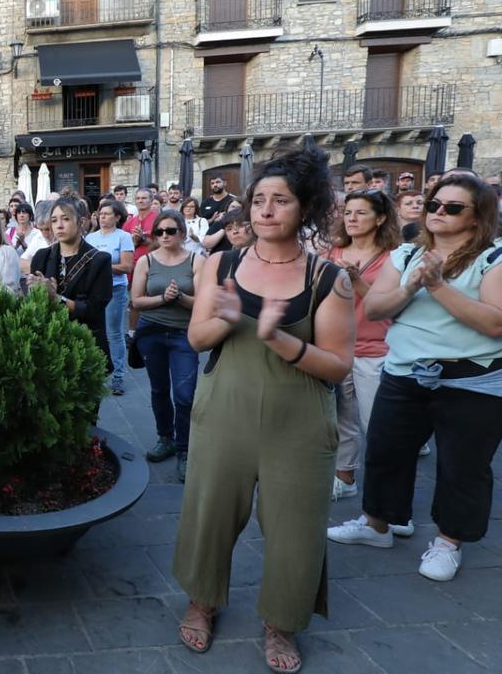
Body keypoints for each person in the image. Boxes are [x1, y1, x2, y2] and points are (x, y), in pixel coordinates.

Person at [175, 146, 354, 674]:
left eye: (280, 200)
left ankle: (282, 620)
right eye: (258, 200)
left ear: (306, 208)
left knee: (296, 526)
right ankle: (202, 600)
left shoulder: (328, 278)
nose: (265, 210)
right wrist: (231, 319)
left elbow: (338, 366)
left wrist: (280, 340)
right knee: (210, 513)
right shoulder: (219, 263)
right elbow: (197, 338)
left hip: (298, 419)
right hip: (224, 409)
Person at [328, 174, 502, 583]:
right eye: (434, 205)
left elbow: (495, 323)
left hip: (471, 379)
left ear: (478, 217)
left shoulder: (493, 259)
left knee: (464, 465)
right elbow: (375, 308)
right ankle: (378, 524)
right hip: (404, 371)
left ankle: (448, 541)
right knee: (386, 451)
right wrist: (411, 288)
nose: (439, 211)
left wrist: (438, 287)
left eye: (453, 207)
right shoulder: (406, 254)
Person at [324, 190, 401, 502]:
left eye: (361, 213)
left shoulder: (394, 256)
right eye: (348, 212)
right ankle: (345, 477)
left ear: (380, 218)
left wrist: (356, 281)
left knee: (378, 425)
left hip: (376, 348)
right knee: (341, 418)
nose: (352, 219)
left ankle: (389, 497)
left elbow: (391, 306)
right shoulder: (334, 251)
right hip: (337, 346)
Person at [130, 210, 203, 480]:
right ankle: (166, 438)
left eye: (170, 231)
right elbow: (136, 300)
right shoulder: (146, 261)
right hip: (152, 332)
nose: (164, 236)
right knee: (159, 389)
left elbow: (203, 301)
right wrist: (163, 298)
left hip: (184, 334)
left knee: (185, 395)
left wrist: (181, 297)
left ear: (182, 233)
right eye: (159, 232)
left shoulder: (196, 260)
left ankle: (184, 449)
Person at [29, 198, 114, 364]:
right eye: (54, 220)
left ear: (81, 222)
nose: (59, 225)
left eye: (66, 219)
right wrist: (37, 292)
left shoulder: (99, 260)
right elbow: (35, 306)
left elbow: (94, 310)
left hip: (85, 342)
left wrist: (56, 297)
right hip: (49, 342)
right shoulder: (42, 257)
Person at [85, 200, 134, 395]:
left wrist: (102, 267)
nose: (102, 217)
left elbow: (127, 267)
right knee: (95, 331)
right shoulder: (90, 238)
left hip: (115, 288)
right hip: (94, 291)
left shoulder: (124, 237)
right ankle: (96, 372)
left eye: (106, 214)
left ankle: (118, 376)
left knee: (114, 333)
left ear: (117, 217)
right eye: (100, 213)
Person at [123, 188, 159, 270]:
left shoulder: (159, 219)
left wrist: (142, 238)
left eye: (144, 198)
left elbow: (162, 244)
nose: (140, 201)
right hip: (134, 266)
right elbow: (124, 247)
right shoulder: (129, 222)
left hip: (153, 264)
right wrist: (134, 242)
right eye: (138, 198)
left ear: (151, 200)